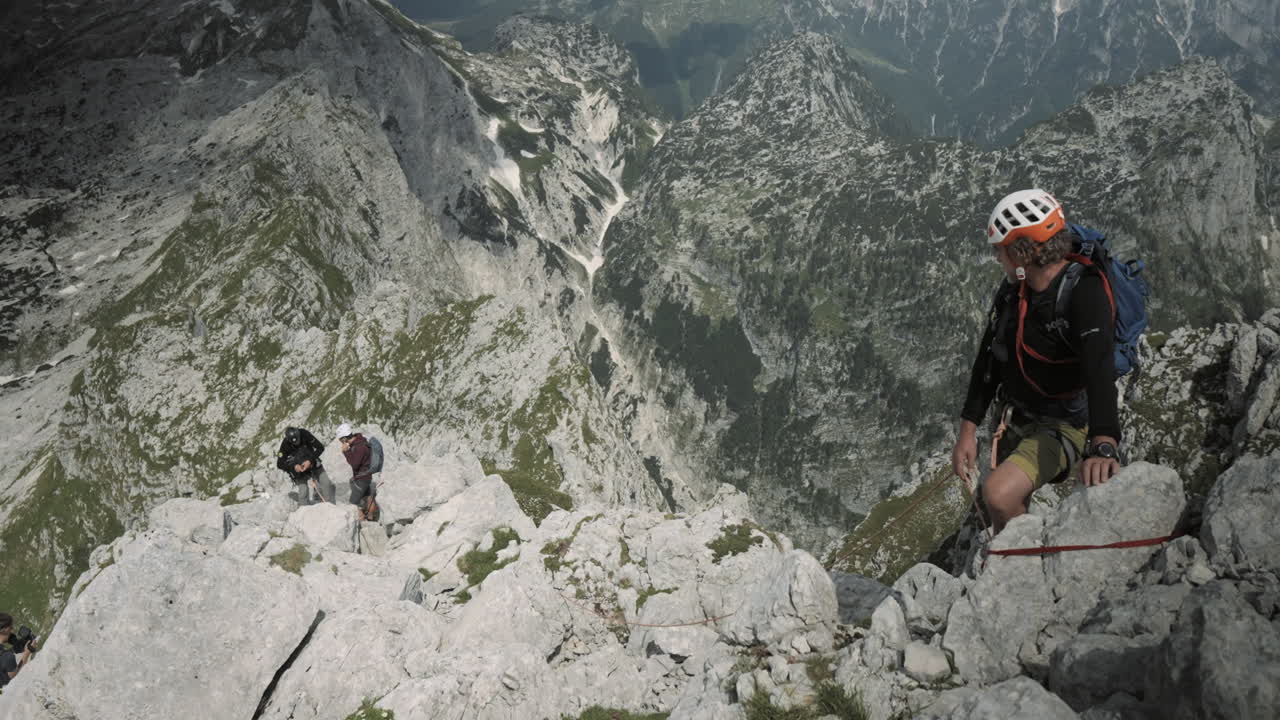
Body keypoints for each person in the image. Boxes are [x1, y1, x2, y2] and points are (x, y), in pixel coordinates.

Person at [952, 189, 1122, 533]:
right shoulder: (1015, 290)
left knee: (998, 494)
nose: (998, 258)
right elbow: (989, 359)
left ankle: (1021, 566)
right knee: (1000, 501)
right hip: (1014, 415)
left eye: (1000, 250)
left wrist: (1104, 441)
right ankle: (1015, 546)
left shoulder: (1084, 292)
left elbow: (1099, 364)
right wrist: (967, 431)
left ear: (1020, 251)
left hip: (1063, 425)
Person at [276, 426, 335, 505]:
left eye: (298, 440)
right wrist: (294, 466)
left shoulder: (304, 434)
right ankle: (304, 511)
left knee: (326, 483)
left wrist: (310, 460)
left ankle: (331, 505)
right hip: (299, 469)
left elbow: (320, 447)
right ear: (289, 441)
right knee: (303, 491)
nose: (297, 443)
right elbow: (279, 464)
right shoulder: (285, 444)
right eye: (294, 443)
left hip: (312, 461)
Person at [336, 423, 377, 520]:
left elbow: (355, 464)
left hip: (361, 479)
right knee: (367, 497)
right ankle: (372, 518)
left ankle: (361, 526)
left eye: (341, 440)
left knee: (353, 504)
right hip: (366, 477)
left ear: (344, 438)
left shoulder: (359, 447)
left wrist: (346, 452)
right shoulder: (361, 441)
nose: (341, 443)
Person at [0, 613, 38, 689]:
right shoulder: (8, 657)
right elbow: (14, 675)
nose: (12, 630)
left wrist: (17, 642)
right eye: (11, 627)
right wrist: (27, 652)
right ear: (5, 629)